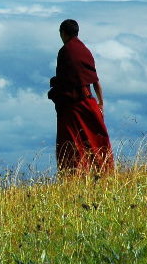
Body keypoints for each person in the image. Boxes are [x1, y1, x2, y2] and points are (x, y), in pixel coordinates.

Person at [47, 19, 114, 173]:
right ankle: (104, 171)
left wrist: (55, 90)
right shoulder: (85, 51)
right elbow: (94, 79)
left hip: (72, 107)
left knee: (71, 143)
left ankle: (74, 175)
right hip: (89, 104)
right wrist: (101, 103)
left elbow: (64, 82)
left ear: (63, 33)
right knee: (96, 140)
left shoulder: (65, 51)